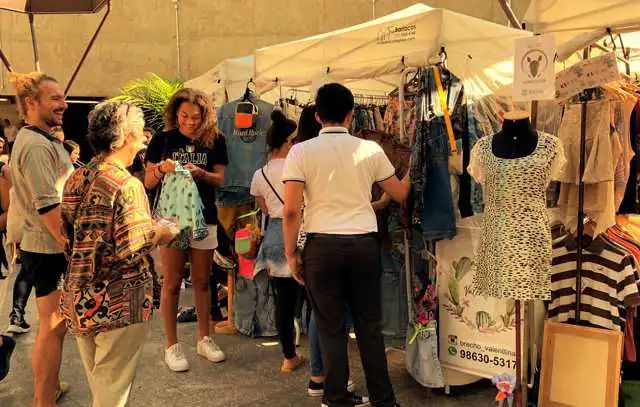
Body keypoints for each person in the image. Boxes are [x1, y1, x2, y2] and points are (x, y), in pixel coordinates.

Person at [282, 83, 410, 407]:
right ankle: (384, 399)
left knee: (331, 328)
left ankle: (336, 396)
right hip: (363, 246)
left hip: (320, 248)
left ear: (317, 115)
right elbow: (400, 193)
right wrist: (414, 168)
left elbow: (291, 211)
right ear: (352, 115)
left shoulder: (300, 152)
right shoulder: (369, 150)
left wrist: (291, 253)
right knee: (369, 327)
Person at [61, 100, 177, 406]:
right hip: (119, 301)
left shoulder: (77, 176)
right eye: (139, 130)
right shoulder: (126, 183)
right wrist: (163, 232)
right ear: (125, 135)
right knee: (111, 393)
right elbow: (134, 245)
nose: (143, 137)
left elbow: (69, 234)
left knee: (102, 385)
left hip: (80, 296)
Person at [145, 88, 228, 372]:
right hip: (171, 221)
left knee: (203, 281)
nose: (190, 122)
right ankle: (172, 345)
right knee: (172, 281)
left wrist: (202, 173)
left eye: (196, 117)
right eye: (184, 116)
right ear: (174, 114)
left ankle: (205, 338)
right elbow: (147, 181)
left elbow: (220, 179)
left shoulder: (216, 140)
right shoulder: (163, 139)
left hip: (204, 218)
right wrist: (161, 169)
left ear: (205, 116)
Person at [9, 72, 73, 406]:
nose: (63, 104)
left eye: (62, 98)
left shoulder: (42, 139)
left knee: (55, 327)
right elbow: (49, 206)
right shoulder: (35, 145)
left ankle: (50, 388)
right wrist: (72, 246)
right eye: (54, 99)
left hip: (47, 247)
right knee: (51, 327)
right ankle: (42, 399)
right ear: (31, 103)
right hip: (48, 248)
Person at [250, 110, 305, 372]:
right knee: (312, 298)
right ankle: (317, 355)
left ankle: (288, 357)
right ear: (288, 142)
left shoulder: (259, 174)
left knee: (283, 301)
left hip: (273, 236)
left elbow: (263, 206)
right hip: (301, 233)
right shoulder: (298, 167)